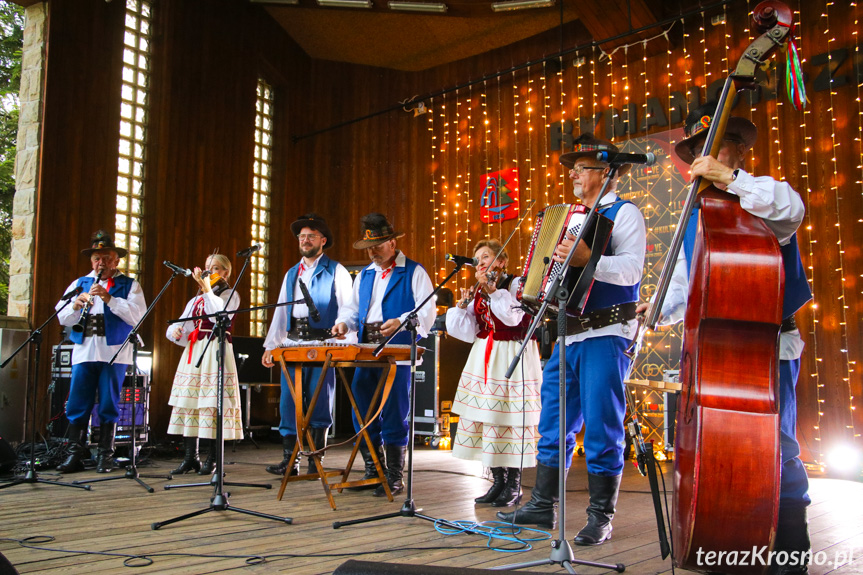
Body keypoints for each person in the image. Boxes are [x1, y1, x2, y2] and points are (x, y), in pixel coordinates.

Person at [645, 101, 812, 574]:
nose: (702, 158)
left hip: (765, 346)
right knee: (721, 450)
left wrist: (730, 179)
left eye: (713, 146)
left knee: (778, 444)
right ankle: (729, 530)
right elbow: (686, 282)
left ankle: (792, 546)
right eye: (698, 150)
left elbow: (791, 210)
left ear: (736, 150)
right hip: (712, 352)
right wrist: (657, 308)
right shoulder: (696, 210)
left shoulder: (761, 194)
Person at [497, 133, 646, 547]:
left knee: (601, 425)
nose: (574, 175)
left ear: (606, 172)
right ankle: (543, 505)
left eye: (582, 168)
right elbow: (553, 277)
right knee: (553, 425)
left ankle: (601, 516)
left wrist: (588, 260)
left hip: (606, 331)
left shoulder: (625, 213)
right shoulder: (568, 217)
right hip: (567, 335)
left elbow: (633, 271)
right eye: (574, 169)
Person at [333, 213, 436, 496]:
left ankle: (393, 474)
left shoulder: (415, 272)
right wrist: (344, 323)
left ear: (392, 242)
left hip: (398, 352)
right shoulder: (364, 275)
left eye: (378, 245)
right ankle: (373, 469)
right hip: (366, 350)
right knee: (361, 408)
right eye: (369, 247)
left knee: (394, 411)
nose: (373, 251)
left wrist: (402, 320)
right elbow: (352, 310)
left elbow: (427, 312)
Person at [445, 239, 542, 508]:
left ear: (501, 261)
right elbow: (466, 332)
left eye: (486, 256)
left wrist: (493, 291)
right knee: (488, 420)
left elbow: (513, 318)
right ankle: (497, 481)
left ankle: (514, 485)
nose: (481, 263)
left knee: (509, 420)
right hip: (484, 355)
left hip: (512, 354)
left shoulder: (516, 284)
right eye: (477, 259)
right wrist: (462, 307)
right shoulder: (479, 289)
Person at [262, 214, 355, 477]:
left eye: (311, 236)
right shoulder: (292, 273)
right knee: (289, 403)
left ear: (323, 241)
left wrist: (343, 339)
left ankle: (316, 461)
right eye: (302, 236)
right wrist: (272, 345)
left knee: (319, 401)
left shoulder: (336, 270)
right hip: (293, 344)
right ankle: (290, 462)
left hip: (323, 343)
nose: (305, 240)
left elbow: (348, 308)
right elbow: (281, 311)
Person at [56, 230, 146, 473]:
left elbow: (137, 316)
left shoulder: (130, 285)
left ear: (116, 261)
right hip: (84, 351)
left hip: (114, 353)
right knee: (78, 402)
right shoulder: (79, 283)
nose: (101, 263)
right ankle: (74, 454)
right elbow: (61, 316)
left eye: (107, 257)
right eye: (97, 258)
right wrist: (75, 305)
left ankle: (105, 455)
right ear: (91, 261)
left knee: (108, 402)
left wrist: (109, 299)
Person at [165, 253, 242, 476]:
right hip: (195, 350)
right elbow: (182, 323)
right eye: (207, 268)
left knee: (213, 404)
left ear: (226, 273)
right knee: (190, 403)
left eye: (216, 268)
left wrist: (207, 289)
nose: (210, 272)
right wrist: (176, 331)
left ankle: (214, 459)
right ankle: (191, 457)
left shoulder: (230, 294)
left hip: (216, 349)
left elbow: (220, 315)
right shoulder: (196, 299)